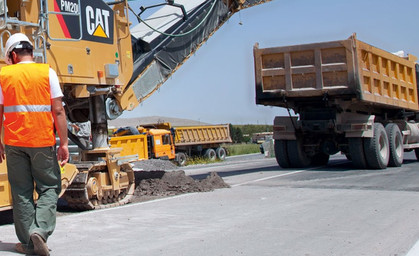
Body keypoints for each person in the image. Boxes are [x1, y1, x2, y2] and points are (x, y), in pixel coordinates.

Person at [0, 33, 69, 256]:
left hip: (14, 143)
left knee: (21, 191)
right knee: (49, 187)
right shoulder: (47, 72)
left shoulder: (4, 75)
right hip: (42, 142)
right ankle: (40, 231)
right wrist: (64, 143)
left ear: (12, 54)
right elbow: (58, 110)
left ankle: (27, 243)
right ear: (30, 51)